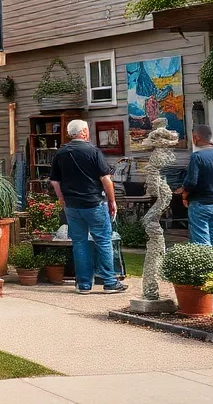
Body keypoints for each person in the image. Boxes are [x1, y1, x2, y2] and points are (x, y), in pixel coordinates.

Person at [49, 119, 128, 294]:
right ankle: (109, 282)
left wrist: (62, 199)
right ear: (84, 132)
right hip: (94, 203)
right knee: (103, 241)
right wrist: (112, 200)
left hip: (72, 205)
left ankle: (84, 284)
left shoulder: (61, 153)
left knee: (79, 243)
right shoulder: (93, 151)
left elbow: (55, 182)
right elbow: (105, 179)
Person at [178, 124, 213, 254]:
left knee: (202, 241)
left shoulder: (197, 157)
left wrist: (184, 195)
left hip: (201, 203)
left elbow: (191, 181)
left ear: (196, 137)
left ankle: (207, 271)